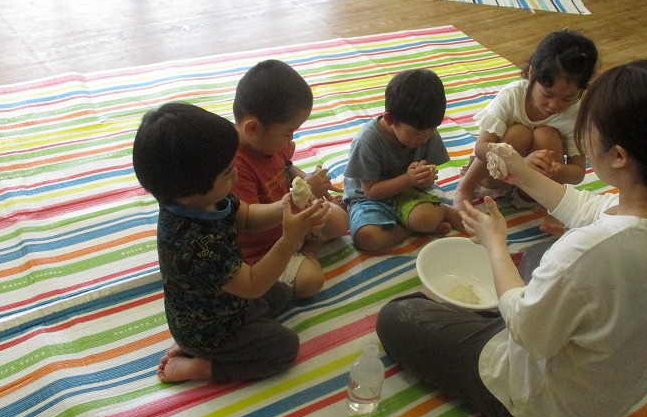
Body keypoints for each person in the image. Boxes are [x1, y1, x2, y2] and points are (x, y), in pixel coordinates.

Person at [376, 59, 647, 417]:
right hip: (607, 382)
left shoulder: (591, 250)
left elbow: (526, 331)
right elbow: (589, 210)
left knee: (397, 316)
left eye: (587, 128)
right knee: (539, 254)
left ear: (619, 156)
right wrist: (520, 172)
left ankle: (494, 319)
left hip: (546, 414)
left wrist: (496, 244)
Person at [132, 102, 329, 383]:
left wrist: (285, 206)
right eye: (227, 172)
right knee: (284, 347)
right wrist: (290, 238)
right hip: (212, 330)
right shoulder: (194, 243)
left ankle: (193, 345)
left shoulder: (205, 198)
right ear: (189, 191)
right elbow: (252, 285)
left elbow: (246, 216)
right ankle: (202, 365)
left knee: (280, 294)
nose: (235, 175)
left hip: (226, 300)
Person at [232, 59, 349, 299]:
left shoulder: (271, 143)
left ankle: (304, 248)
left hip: (292, 221)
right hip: (265, 247)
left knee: (341, 221)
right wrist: (300, 195)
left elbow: (286, 168)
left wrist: (306, 179)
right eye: (288, 132)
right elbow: (250, 221)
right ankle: (304, 254)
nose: (292, 139)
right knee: (311, 281)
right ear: (253, 129)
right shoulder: (234, 166)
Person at [452, 30, 598, 213]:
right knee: (518, 133)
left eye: (568, 98)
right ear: (531, 74)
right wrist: (519, 162)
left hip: (530, 189)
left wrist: (557, 170)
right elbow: (481, 148)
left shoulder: (574, 115)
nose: (554, 105)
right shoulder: (512, 96)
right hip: (495, 177)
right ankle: (464, 188)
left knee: (547, 135)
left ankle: (547, 205)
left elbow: (578, 173)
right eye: (547, 94)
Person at [343, 68, 464, 253]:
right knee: (366, 237)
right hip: (368, 199)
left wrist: (425, 178)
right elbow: (371, 192)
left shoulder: (426, 131)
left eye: (432, 130)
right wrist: (408, 179)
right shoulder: (368, 141)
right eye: (416, 133)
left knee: (424, 218)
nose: (424, 138)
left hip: (408, 193)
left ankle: (439, 214)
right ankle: (413, 229)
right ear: (389, 119)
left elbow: (424, 183)